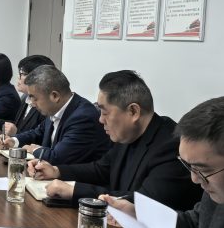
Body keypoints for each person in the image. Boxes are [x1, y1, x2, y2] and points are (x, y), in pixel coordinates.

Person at [102, 97, 224, 228]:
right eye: (188, 166)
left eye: (202, 170)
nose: (194, 179)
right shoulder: (217, 182)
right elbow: (196, 224)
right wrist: (138, 216)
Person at [30, 70, 202, 210]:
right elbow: (101, 169)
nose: (100, 120)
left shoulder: (171, 145)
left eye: (105, 112)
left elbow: (143, 203)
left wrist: (75, 191)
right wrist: (57, 171)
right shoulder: (128, 133)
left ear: (133, 112)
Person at [0, 65, 110, 165]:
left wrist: (34, 149)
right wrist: (13, 141)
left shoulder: (83, 117)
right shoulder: (55, 108)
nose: (32, 103)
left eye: (34, 98)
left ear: (54, 96)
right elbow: (38, 133)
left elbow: (58, 158)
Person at [0, 54, 54, 135]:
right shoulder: (25, 97)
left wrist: (16, 133)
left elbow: (39, 137)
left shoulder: (45, 106)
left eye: (22, 74)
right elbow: (19, 125)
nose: (18, 77)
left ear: (38, 78)